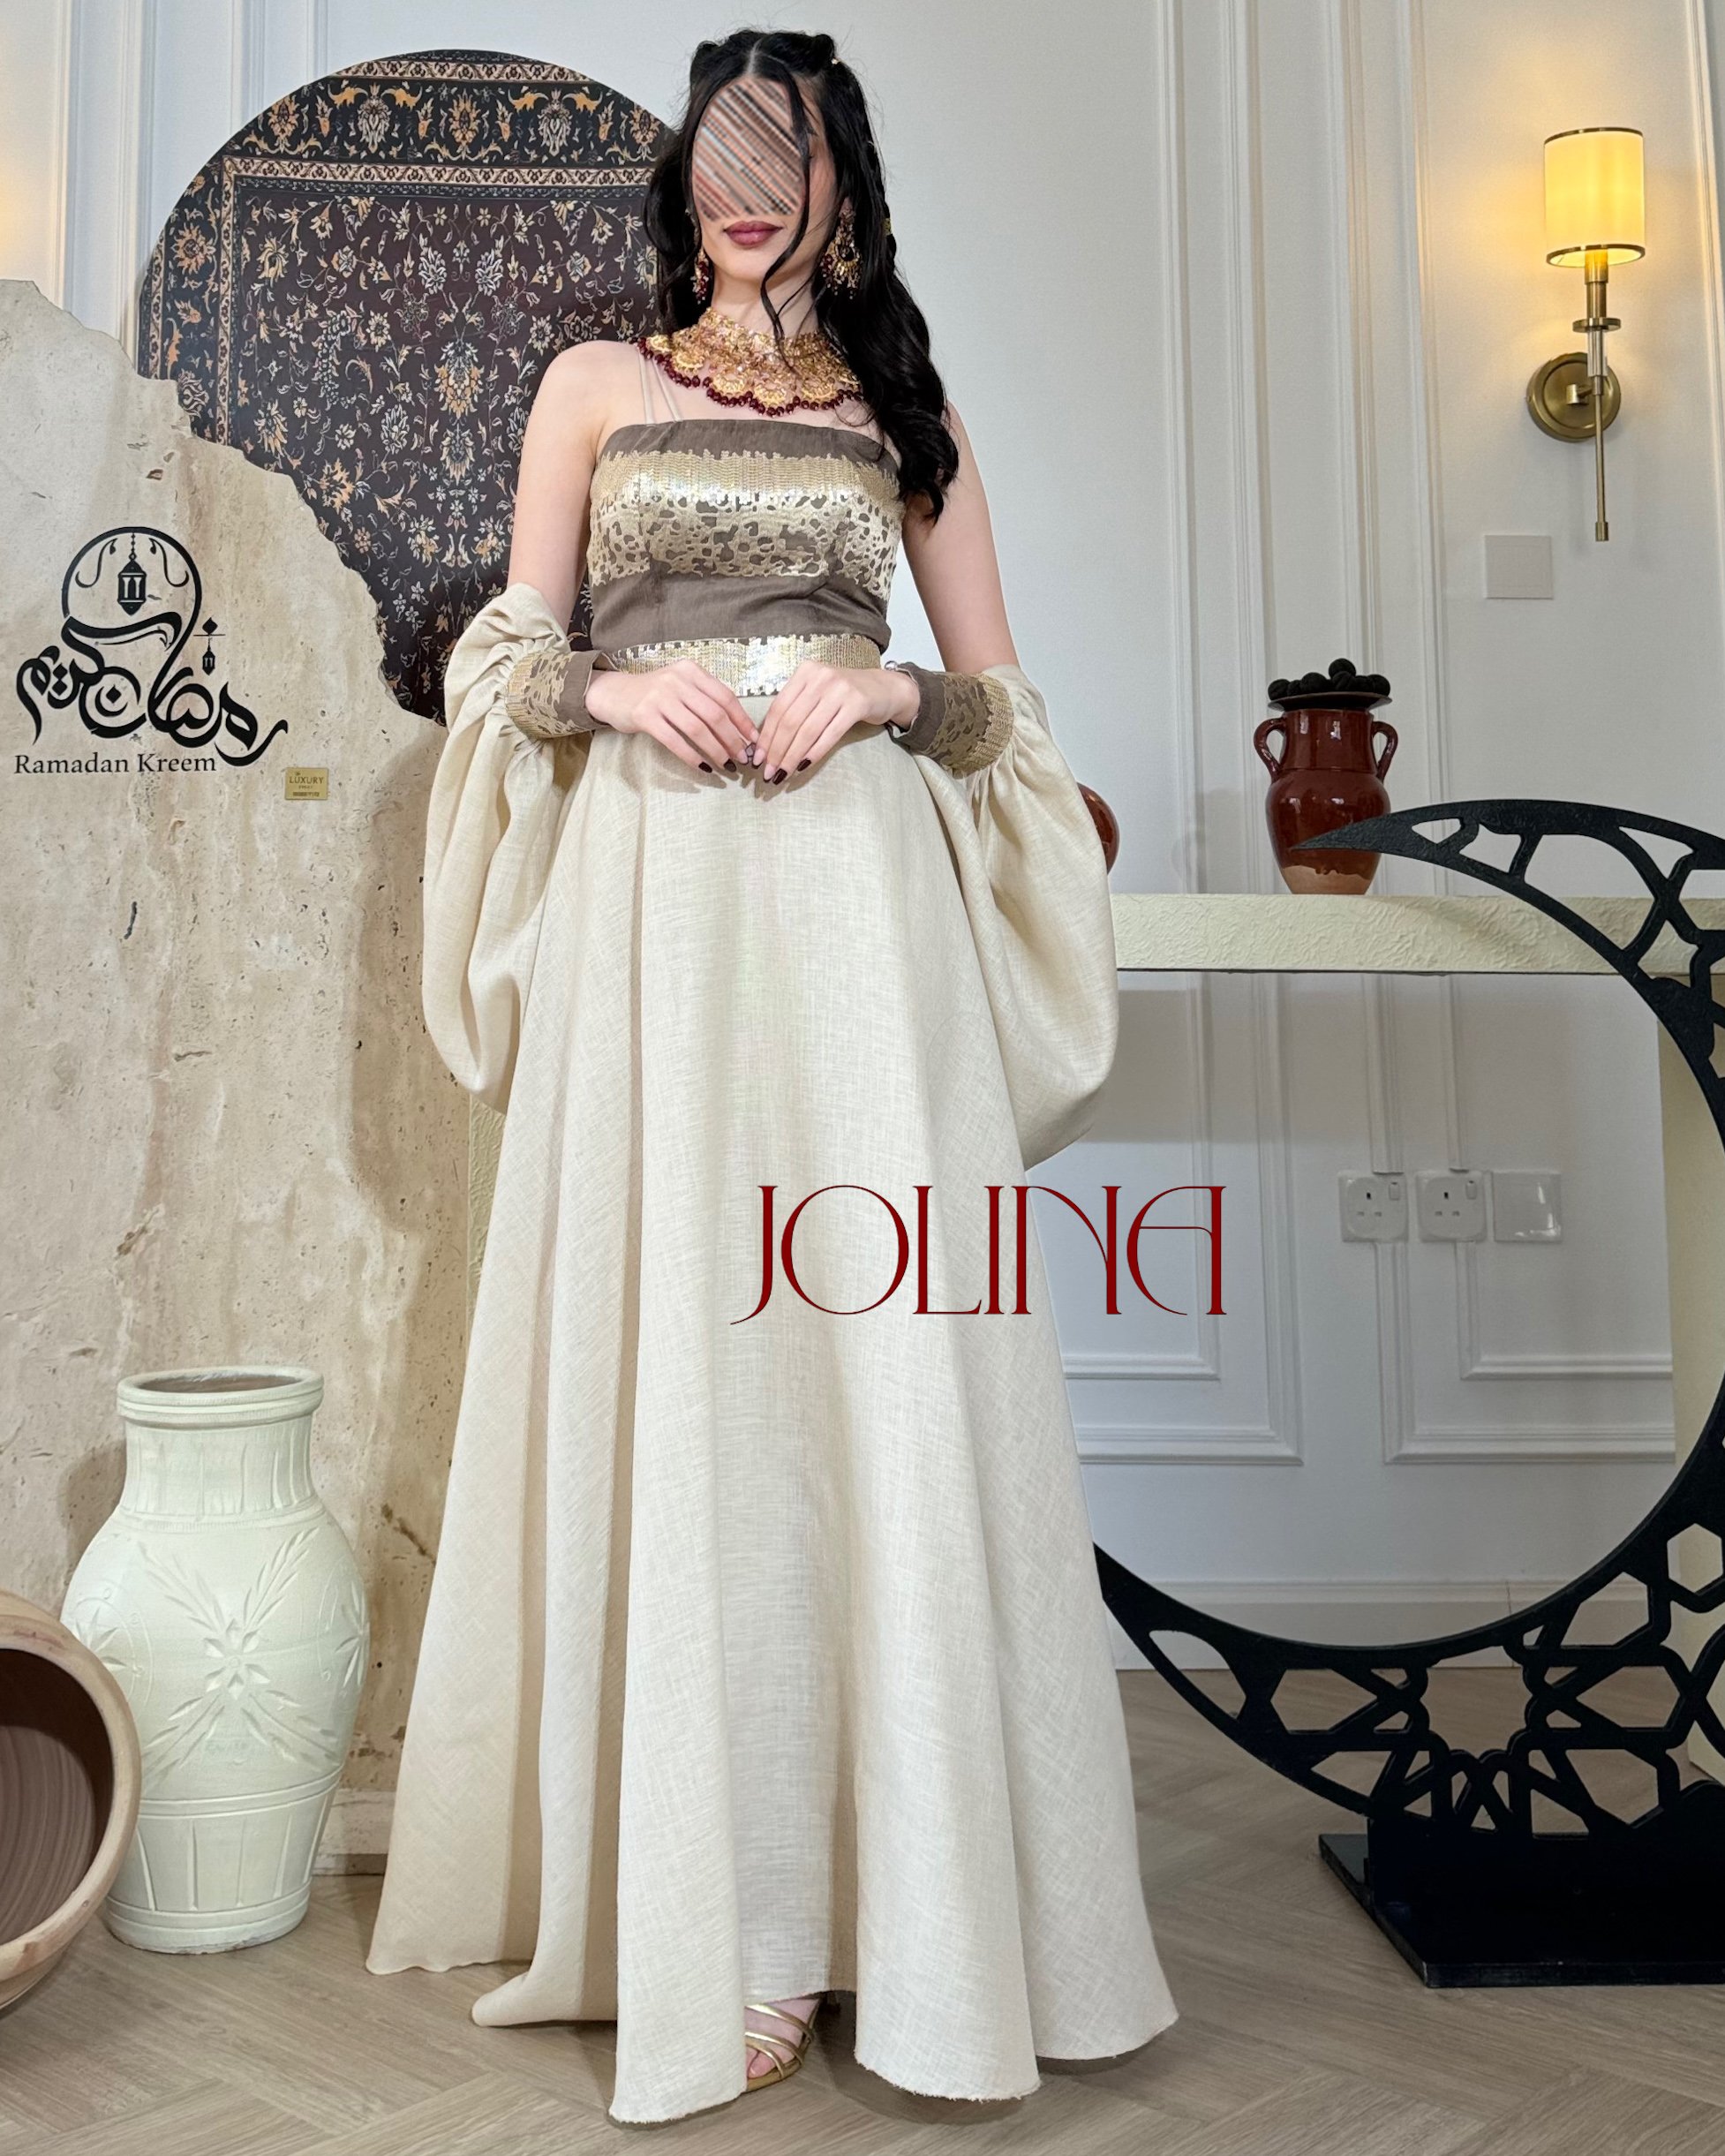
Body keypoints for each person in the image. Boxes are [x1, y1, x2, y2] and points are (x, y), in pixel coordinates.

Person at [364, 26, 1178, 2126]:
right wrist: (613, 691)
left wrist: (880, 687)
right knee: (694, 1383)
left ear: (836, 182)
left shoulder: (904, 415)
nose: (742, 182)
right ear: (684, 175)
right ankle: (714, 1919)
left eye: (780, 148)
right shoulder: (591, 386)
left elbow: (997, 713)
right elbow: (504, 657)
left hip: (851, 928)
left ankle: (903, 1909)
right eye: (715, 145)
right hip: (655, 913)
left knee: (865, 1385)